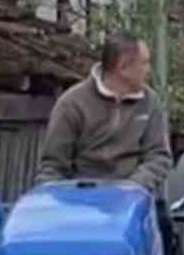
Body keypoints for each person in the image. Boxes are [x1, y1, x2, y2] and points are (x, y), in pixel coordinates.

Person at [37, 32, 172, 195]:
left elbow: (158, 156)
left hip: (134, 196)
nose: (149, 69)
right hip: (81, 198)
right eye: (144, 63)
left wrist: (134, 186)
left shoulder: (150, 102)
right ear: (123, 68)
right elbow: (53, 167)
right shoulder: (72, 104)